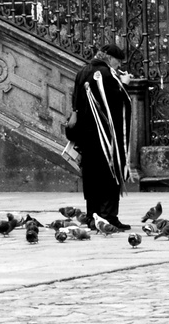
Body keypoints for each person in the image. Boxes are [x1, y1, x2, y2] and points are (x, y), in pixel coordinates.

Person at [65, 43, 132, 231]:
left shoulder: (82, 72)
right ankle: (108, 217)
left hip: (86, 137)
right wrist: (124, 84)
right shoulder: (106, 74)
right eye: (118, 62)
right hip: (105, 138)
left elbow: (75, 104)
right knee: (110, 175)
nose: (119, 66)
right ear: (110, 58)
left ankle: (93, 216)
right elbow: (115, 102)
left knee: (92, 177)